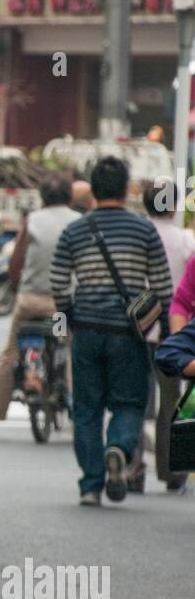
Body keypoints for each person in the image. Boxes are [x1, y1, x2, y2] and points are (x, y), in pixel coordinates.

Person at [50, 156, 173, 506]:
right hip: (129, 332)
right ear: (125, 188)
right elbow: (163, 286)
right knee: (130, 402)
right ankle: (117, 448)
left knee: (87, 408)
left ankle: (91, 485)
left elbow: (58, 284)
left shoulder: (74, 230)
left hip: (86, 328)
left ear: (92, 188)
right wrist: (163, 330)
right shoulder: (143, 229)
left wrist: (66, 321)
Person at [0, 176, 79, 438]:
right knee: (69, 345)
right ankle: (76, 405)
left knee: (10, 354)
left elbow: (15, 264)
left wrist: (21, 285)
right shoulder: (78, 222)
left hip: (29, 302)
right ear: (69, 196)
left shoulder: (32, 222)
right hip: (61, 307)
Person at [128, 178, 195, 492]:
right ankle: (171, 471)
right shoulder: (185, 241)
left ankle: (134, 467)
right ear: (173, 205)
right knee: (170, 404)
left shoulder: (136, 235)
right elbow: (183, 297)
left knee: (137, 400)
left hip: (138, 329)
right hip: (172, 331)